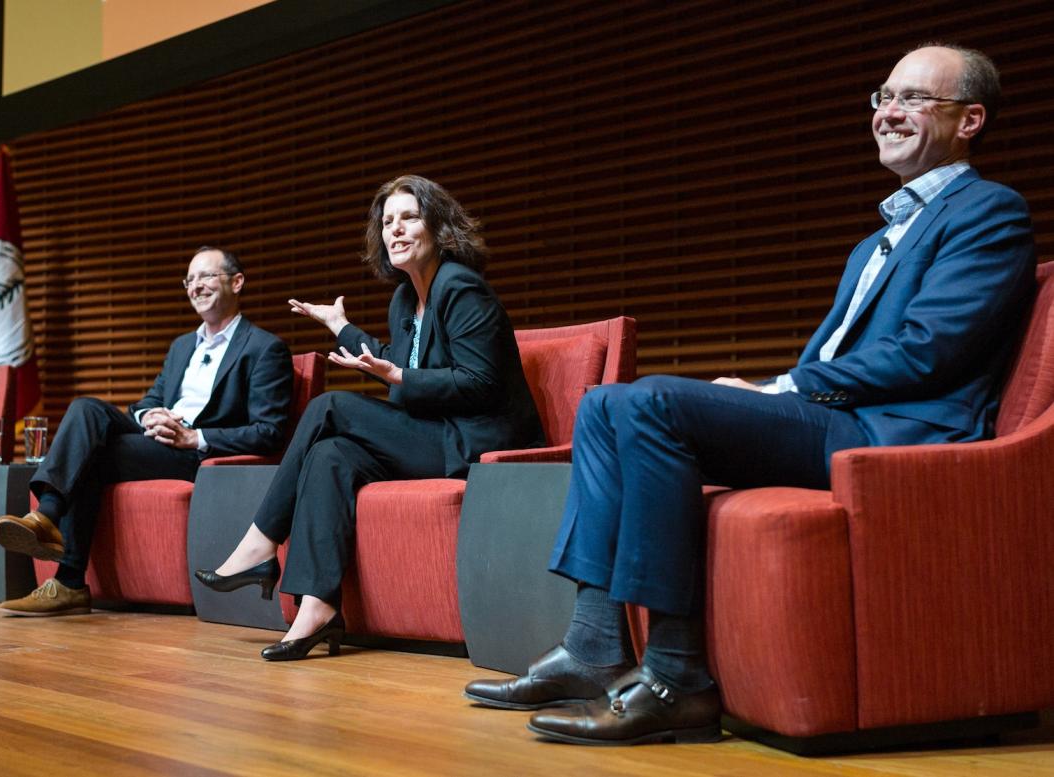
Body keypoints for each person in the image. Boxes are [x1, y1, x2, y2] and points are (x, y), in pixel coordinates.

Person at [465, 43, 1036, 746]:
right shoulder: (876, 240)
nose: (889, 111)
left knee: (652, 402)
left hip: (891, 436)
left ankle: (676, 678)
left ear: (971, 119)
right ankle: (591, 644)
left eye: (914, 98)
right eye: (883, 96)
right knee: (605, 403)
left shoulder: (989, 212)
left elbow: (929, 350)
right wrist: (778, 394)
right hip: (837, 419)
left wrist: (780, 388)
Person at [195, 175, 544, 660]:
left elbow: (479, 382)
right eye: (387, 222)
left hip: (478, 443)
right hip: (437, 431)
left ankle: (260, 543)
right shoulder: (405, 298)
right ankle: (316, 607)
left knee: (329, 406)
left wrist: (399, 375)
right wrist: (341, 327)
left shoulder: (462, 289)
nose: (395, 230)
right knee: (331, 453)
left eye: (409, 217)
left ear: (438, 227)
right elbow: (394, 362)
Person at [0, 246, 293, 616]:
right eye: (190, 279)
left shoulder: (265, 348)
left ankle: (66, 575)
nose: (196, 286)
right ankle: (47, 519)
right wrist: (149, 416)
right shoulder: (183, 345)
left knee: (92, 455)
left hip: (195, 454)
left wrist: (193, 437)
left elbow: (269, 432)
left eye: (206, 276)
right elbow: (144, 402)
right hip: (156, 441)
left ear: (237, 281)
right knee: (86, 408)